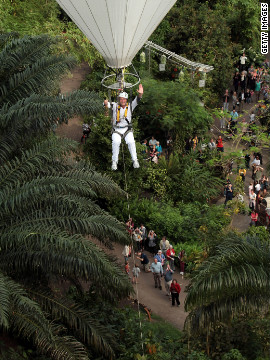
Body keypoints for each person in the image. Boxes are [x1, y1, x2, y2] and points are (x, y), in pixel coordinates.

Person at [104, 84, 143, 170]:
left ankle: (135, 160)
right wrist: (106, 103)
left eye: (124, 99)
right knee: (116, 142)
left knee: (131, 142)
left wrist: (140, 94)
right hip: (116, 129)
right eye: (121, 99)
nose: (122, 100)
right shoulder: (114, 105)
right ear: (119, 100)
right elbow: (107, 104)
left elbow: (138, 99)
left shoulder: (130, 106)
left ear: (126, 100)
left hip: (126, 129)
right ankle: (114, 161)